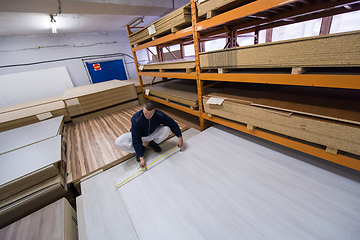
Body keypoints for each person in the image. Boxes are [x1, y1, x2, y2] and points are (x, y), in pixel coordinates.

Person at [115, 99, 183, 169]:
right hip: (140, 136)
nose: (148, 116)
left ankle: (153, 143)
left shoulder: (160, 115)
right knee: (118, 142)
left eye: (151, 114)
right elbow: (136, 139)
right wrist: (141, 158)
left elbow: (172, 124)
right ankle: (141, 149)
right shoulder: (136, 119)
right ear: (142, 108)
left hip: (152, 134)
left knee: (166, 129)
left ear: (155, 110)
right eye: (145, 113)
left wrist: (180, 138)